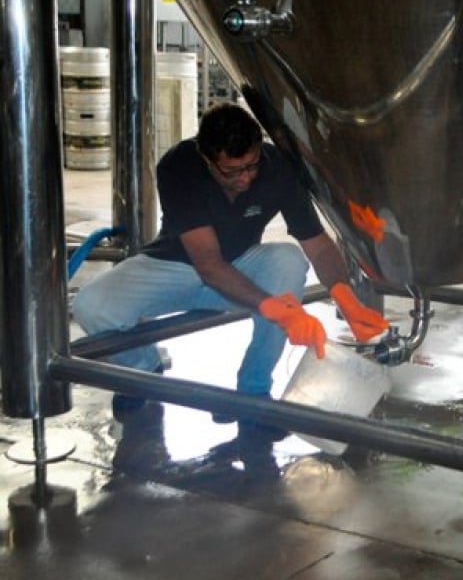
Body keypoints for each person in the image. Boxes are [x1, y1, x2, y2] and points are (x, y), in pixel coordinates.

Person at [73, 103, 388, 428]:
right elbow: (207, 263)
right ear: (207, 158)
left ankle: (253, 391)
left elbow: (318, 245)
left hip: (239, 264)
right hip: (173, 266)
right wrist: (275, 308)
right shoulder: (179, 166)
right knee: (91, 305)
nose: (245, 178)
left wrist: (344, 296)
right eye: (232, 171)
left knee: (287, 259)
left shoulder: (276, 166)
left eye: (251, 166)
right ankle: (143, 367)